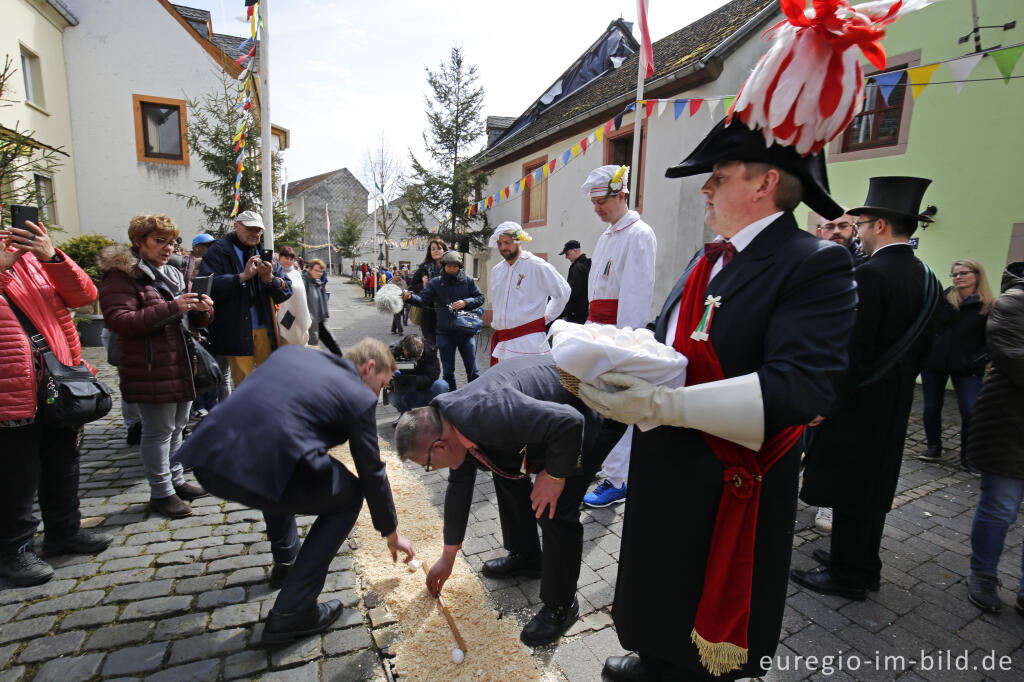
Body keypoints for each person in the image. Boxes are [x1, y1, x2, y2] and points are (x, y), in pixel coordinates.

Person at [577, 114, 859, 676]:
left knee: (701, 602)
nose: (705, 186)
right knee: (659, 577)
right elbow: (668, 344)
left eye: (720, 174)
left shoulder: (815, 262)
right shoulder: (709, 257)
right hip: (668, 463)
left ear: (764, 183)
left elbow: (800, 390)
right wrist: (608, 356)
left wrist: (662, 406)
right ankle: (657, 657)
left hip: (727, 476)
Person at [173, 340, 415, 644]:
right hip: (256, 463)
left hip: (209, 457)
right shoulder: (358, 396)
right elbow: (371, 471)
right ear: (368, 368)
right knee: (351, 493)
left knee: (288, 468)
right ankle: (293, 611)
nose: (378, 395)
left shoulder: (293, 352)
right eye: (381, 384)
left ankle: (287, 562)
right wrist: (391, 532)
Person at [395, 355, 620, 647]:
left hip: (589, 414)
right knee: (505, 470)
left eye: (427, 465)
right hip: (552, 420)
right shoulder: (449, 422)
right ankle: (528, 557)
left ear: (439, 445)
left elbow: (569, 422)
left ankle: (562, 606)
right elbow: (459, 487)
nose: (431, 471)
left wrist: (553, 476)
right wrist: (448, 557)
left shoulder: (490, 414)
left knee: (553, 508)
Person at [796, 177, 942, 602]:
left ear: (879, 225)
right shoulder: (925, 274)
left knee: (851, 485)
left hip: (858, 402)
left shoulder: (873, 274)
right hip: (894, 398)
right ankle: (859, 559)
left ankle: (850, 575)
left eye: (859, 224)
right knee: (872, 485)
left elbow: (851, 351)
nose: (855, 231)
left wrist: (827, 401)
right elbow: (928, 343)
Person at [0, 218, 114, 586]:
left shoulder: (33, 258)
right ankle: (14, 551)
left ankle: (64, 532)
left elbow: (84, 295)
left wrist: (51, 257)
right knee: (16, 476)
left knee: (62, 462)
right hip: (9, 388)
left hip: (56, 378)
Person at [98, 215, 214, 519]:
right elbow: (120, 321)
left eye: (171, 241)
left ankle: (175, 481)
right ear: (139, 241)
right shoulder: (121, 276)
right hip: (150, 364)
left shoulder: (173, 274)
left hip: (179, 360)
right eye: (159, 241)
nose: (168, 248)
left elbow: (186, 321)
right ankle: (161, 493)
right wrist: (174, 307)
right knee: (158, 431)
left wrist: (202, 312)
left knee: (177, 427)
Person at [580, 164, 657, 509]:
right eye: (594, 203)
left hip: (617, 333)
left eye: (602, 202)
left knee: (617, 407)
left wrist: (624, 344)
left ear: (621, 193)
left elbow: (636, 295)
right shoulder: (607, 235)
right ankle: (611, 467)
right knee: (599, 404)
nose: (597, 209)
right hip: (598, 329)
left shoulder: (639, 234)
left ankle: (619, 479)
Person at [963, 262, 1024, 614]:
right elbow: (1015, 359)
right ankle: (983, 572)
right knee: (1000, 507)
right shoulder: (1014, 301)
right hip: (1010, 427)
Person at [198, 210, 292, 386]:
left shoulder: (265, 254)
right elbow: (207, 287)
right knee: (245, 386)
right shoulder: (218, 251)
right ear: (236, 226)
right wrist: (241, 277)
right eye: (250, 229)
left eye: (258, 230)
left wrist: (269, 279)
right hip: (236, 330)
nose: (255, 234)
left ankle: (267, 413)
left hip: (265, 328)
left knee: (271, 382)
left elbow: (286, 292)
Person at [918, 258, 994, 467]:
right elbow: (929, 325)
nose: (958, 277)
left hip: (967, 368)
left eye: (963, 273)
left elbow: (992, 339)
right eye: (955, 274)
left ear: (976, 275)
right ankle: (934, 446)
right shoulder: (944, 299)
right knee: (932, 407)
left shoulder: (987, 305)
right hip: (934, 364)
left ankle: (968, 456)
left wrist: (978, 359)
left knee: (970, 410)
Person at [488, 222, 570, 365]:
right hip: (503, 343)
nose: (502, 248)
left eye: (506, 243)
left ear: (518, 241)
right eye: (500, 243)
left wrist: (546, 317)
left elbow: (563, 292)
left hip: (528, 343)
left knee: (527, 386)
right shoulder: (497, 270)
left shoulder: (537, 265)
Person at [403, 251, 484, 391]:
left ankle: (474, 395)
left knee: (473, 370)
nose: (452, 269)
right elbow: (423, 300)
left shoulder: (468, 281)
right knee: (448, 372)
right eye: (449, 266)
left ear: (460, 266)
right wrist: (410, 298)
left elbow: (480, 298)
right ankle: (452, 399)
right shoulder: (436, 283)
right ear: (444, 266)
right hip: (444, 333)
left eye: (455, 266)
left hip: (466, 332)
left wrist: (466, 302)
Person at [387, 334, 448, 415]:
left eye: (418, 356)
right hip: (406, 392)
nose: (416, 359)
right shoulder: (394, 351)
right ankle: (406, 414)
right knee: (392, 396)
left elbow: (432, 376)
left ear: (422, 349)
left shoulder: (429, 350)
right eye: (410, 356)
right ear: (403, 349)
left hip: (425, 390)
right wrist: (391, 380)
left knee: (441, 385)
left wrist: (411, 381)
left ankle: (435, 414)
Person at [409, 238, 448, 343]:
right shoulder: (423, 269)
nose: (436, 251)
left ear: (444, 250)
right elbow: (412, 287)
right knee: (430, 344)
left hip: (446, 312)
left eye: (439, 248)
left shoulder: (451, 267)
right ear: (429, 252)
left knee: (445, 345)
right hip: (429, 313)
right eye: (433, 249)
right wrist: (424, 286)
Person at [303, 259, 342, 356]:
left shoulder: (317, 282)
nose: (319, 273)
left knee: (334, 346)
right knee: (311, 349)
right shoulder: (304, 282)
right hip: (310, 323)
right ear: (309, 269)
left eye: (321, 271)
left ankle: (342, 365)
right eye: (316, 270)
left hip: (320, 321)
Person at [276, 246, 311, 347]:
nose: (289, 261)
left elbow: (302, 298)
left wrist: (306, 316)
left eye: (291, 259)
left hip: (297, 313)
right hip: (279, 314)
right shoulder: (275, 273)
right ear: (279, 257)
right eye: (286, 258)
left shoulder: (296, 274)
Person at [558, 239, 591, 324]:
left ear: (575, 251)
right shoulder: (589, 264)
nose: (566, 257)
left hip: (577, 315)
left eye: (567, 254)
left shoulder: (577, 268)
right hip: (587, 311)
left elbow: (573, 293)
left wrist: (565, 313)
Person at [390, 270, 406, 335]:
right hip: (394, 302)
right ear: (393, 276)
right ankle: (400, 330)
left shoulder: (403, 282)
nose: (397, 276)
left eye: (399, 275)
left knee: (397, 316)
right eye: (396, 275)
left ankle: (393, 329)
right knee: (397, 316)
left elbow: (405, 290)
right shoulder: (390, 283)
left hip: (402, 301)